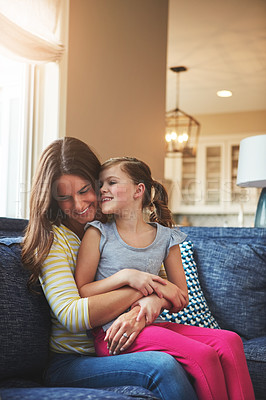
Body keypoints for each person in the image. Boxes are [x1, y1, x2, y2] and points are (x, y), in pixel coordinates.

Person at [21, 137, 197, 400]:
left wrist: (151, 298)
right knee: (162, 367)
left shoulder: (112, 230)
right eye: (65, 197)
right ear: (52, 199)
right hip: (73, 361)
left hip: (125, 345)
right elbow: (71, 314)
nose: (79, 206)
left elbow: (163, 286)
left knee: (205, 351)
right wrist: (136, 288)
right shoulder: (53, 240)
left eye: (84, 191)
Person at [75, 156, 255, 400]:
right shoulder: (97, 233)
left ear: (139, 190)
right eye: (101, 184)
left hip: (152, 326)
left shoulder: (167, 238)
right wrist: (126, 276)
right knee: (202, 355)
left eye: (112, 182)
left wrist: (157, 298)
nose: (102, 190)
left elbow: (180, 296)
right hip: (113, 334)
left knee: (230, 341)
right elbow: (83, 290)